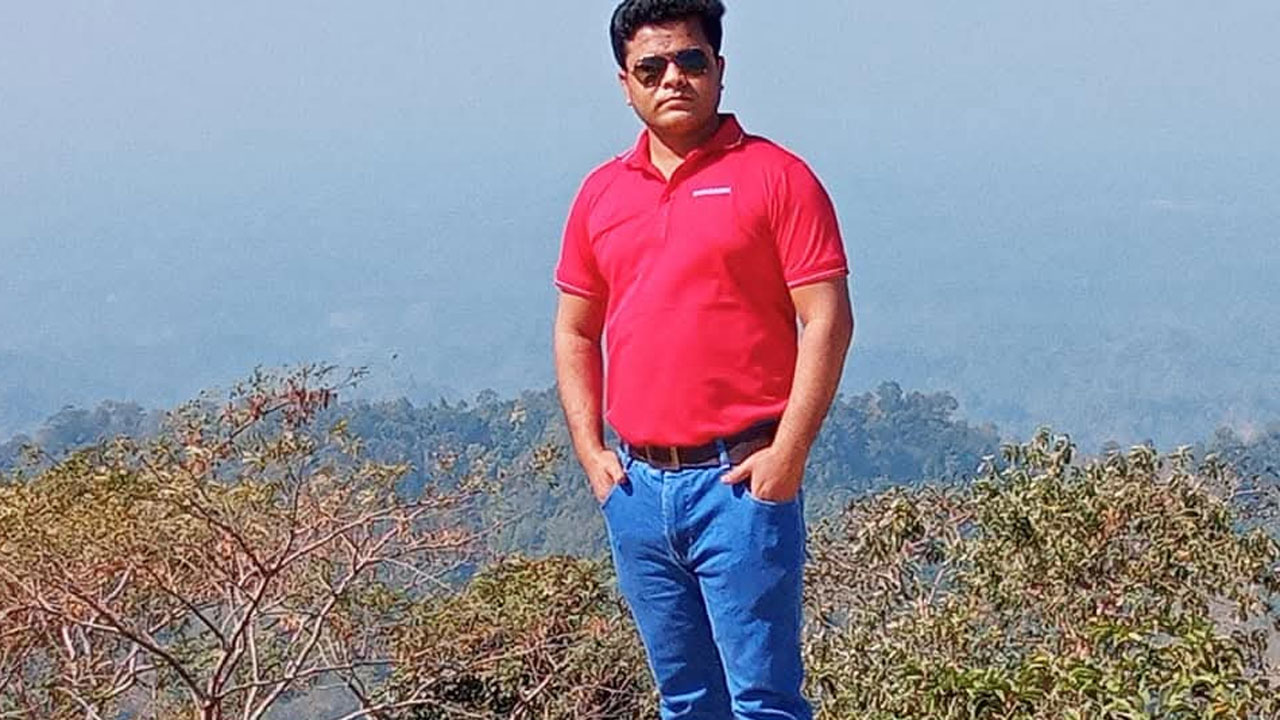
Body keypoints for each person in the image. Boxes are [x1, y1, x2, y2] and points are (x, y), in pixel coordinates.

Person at [552, 1, 854, 717]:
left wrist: (788, 455)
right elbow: (575, 331)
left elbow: (828, 320)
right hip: (637, 488)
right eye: (650, 68)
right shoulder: (601, 193)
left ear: (719, 68)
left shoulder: (777, 178)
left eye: (690, 60)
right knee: (685, 701)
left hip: (741, 484)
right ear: (625, 84)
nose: (673, 79)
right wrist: (591, 452)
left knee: (763, 702)